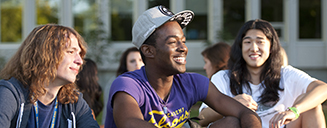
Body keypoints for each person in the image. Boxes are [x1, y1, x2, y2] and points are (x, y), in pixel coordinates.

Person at [104, 5, 261, 128]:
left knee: (234, 124)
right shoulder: (128, 85)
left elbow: (245, 113)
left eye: (183, 41)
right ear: (148, 51)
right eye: (173, 42)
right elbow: (130, 123)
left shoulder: (192, 82)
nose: (183, 48)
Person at [198, 19, 327, 128]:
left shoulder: (287, 74)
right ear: (240, 47)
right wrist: (232, 104)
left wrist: (294, 111)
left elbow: (323, 88)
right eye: (247, 42)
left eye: (260, 41)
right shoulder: (223, 77)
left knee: (311, 104)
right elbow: (201, 118)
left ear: (271, 47)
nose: (254, 48)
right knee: (233, 121)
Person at [0, 24, 99, 128]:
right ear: (45, 54)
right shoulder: (10, 93)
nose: (80, 61)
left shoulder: (73, 101)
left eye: (80, 54)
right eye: (71, 52)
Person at [101, 47, 144, 125]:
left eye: (141, 60)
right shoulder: (116, 82)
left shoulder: (150, 81)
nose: (137, 64)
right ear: (126, 65)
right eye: (132, 61)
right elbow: (107, 113)